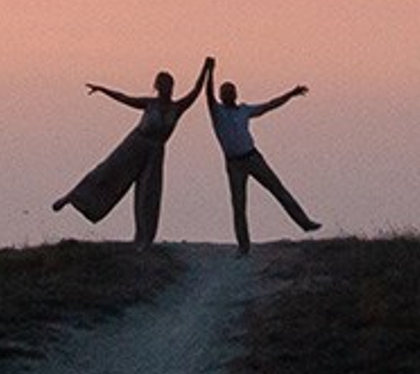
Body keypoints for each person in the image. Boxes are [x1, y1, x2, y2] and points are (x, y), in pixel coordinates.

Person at [54, 58, 212, 246]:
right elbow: (124, 97)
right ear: (157, 87)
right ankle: (72, 197)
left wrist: (207, 69)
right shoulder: (149, 103)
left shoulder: (177, 107)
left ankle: (143, 237)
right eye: (162, 85)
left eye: (168, 85)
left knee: (148, 193)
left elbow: (195, 90)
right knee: (107, 172)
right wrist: (102, 89)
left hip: (155, 151)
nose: (166, 89)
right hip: (135, 144)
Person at [204, 74, 319, 252]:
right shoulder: (217, 113)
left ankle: (305, 222)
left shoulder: (244, 110)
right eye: (224, 92)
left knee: (278, 189)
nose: (227, 95)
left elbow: (269, 105)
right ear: (220, 95)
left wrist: (291, 94)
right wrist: (209, 72)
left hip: (253, 157)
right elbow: (208, 95)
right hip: (234, 164)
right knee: (239, 205)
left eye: (230, 92)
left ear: (235, 94)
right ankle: (244, 246)